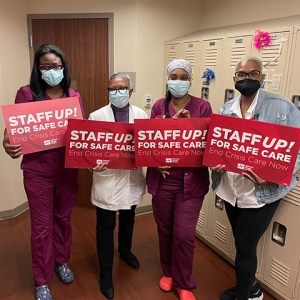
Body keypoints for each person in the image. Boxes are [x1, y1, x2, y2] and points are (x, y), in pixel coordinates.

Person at [211, 56, 300, 300]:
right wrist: (216, 165)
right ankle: (251, 287)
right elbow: (218, 147)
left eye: (253, 74)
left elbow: (297, 151)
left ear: (262, 78)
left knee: (245, 248)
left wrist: (273, 176)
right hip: (231, 190)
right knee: (243, 245)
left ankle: (244, 295)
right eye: (241, 75)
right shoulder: (225, 109)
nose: (247, 79)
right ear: (234, 79)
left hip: (261, 193)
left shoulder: (283, 108)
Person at [2, 44, 85, 300]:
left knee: (63, 220)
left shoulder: (74, 95)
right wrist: (7, 145)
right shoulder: (26, 94)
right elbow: (11, 133)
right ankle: (41, 280)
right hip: (37, 172)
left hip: (68, 171)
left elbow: (81, 132)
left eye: (56, 66)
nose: (51, 71)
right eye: (45, 66)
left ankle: (61, 261)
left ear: (64, 68)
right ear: (38, 69)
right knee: (40, 228)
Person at [146, 59, 212, 300]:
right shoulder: (157, 107)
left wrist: (186, 127)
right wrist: (155, 160)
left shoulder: (203, 107)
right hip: (162, 180)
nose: (179, 81)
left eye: (184, 77)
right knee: (165, 230)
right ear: (167, 78)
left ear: (191, 80)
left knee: (183, 235)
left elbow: (208, 143)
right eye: (174, 76)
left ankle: (184, 283)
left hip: (190, 182)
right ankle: (169, 272)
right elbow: (149, 143)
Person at [88, 73, 147, 299]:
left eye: (122, 88)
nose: (117, 92)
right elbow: (87, 150)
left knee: (129, 218)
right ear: (108, 92)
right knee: (105, 227)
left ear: (130, 91)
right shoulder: (96, 116)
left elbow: (148, 146)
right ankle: (105, 274)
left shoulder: (141, 115)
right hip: (108, 180)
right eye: (113, 89)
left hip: (131, 180)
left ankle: (125, 251)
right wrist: (92, 164)